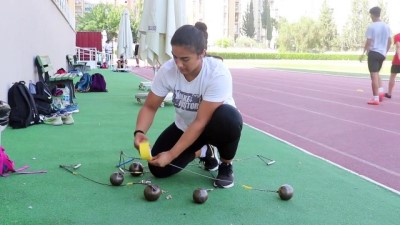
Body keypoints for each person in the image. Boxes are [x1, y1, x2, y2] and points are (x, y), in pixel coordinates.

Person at [133, 24, 243, 188]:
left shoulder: (217, 73)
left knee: (230, 118)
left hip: (213, 126)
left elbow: (200, 122)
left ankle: (226, 165)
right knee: (158, 169)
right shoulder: (168, 70)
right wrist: (140, 132)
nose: (178, 64)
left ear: (202, 54)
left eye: (185, 59)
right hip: (186, 127)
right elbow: (150, 107)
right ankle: (204, 152)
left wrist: (171, 154)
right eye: (175, 56)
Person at [360, 6, 392, 105]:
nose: (370, 17)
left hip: (373, 53)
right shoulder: (387, 26)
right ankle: (381, 92)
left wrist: (363, 53)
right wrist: (385, 52)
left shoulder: (371, 26)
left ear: (373, 15)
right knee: (377, 73)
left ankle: (376, 98)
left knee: (373, 76)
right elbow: (390, 41)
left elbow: (368, 41)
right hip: (382, 54)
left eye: (370, 15)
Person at [385, 33, 400, 99]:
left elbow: (398, 47)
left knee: (392, 77)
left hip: (397, 61)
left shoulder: (397, 36)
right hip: (397, 61)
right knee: (392, 77)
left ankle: (389, 94)